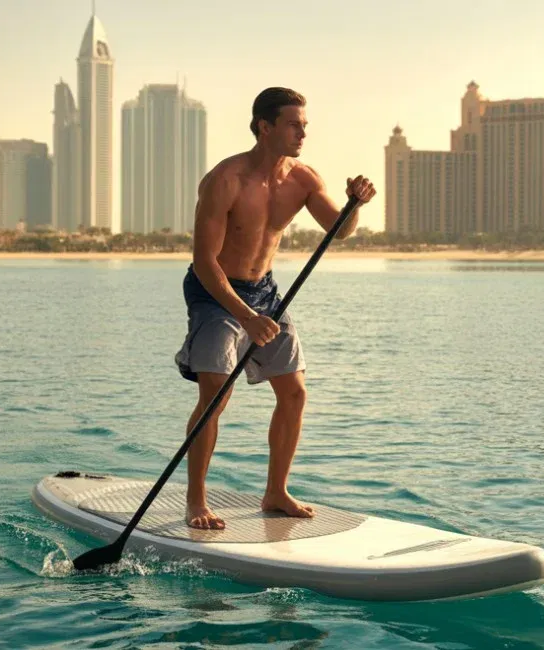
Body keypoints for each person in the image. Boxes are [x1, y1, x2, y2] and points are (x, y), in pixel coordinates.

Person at [174, 87, 376, 530]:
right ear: (264, 127)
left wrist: (354, 206)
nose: (302, 132)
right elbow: (204, 262)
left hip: (265, 294)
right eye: (293, 124)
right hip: (215, 294)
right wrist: (244, 317)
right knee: (216, 394)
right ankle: (195, 501)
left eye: (304, 125)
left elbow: (338, 232)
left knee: (295, 392)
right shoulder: (225, 179)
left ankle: (275, 492)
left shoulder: (303, 179)